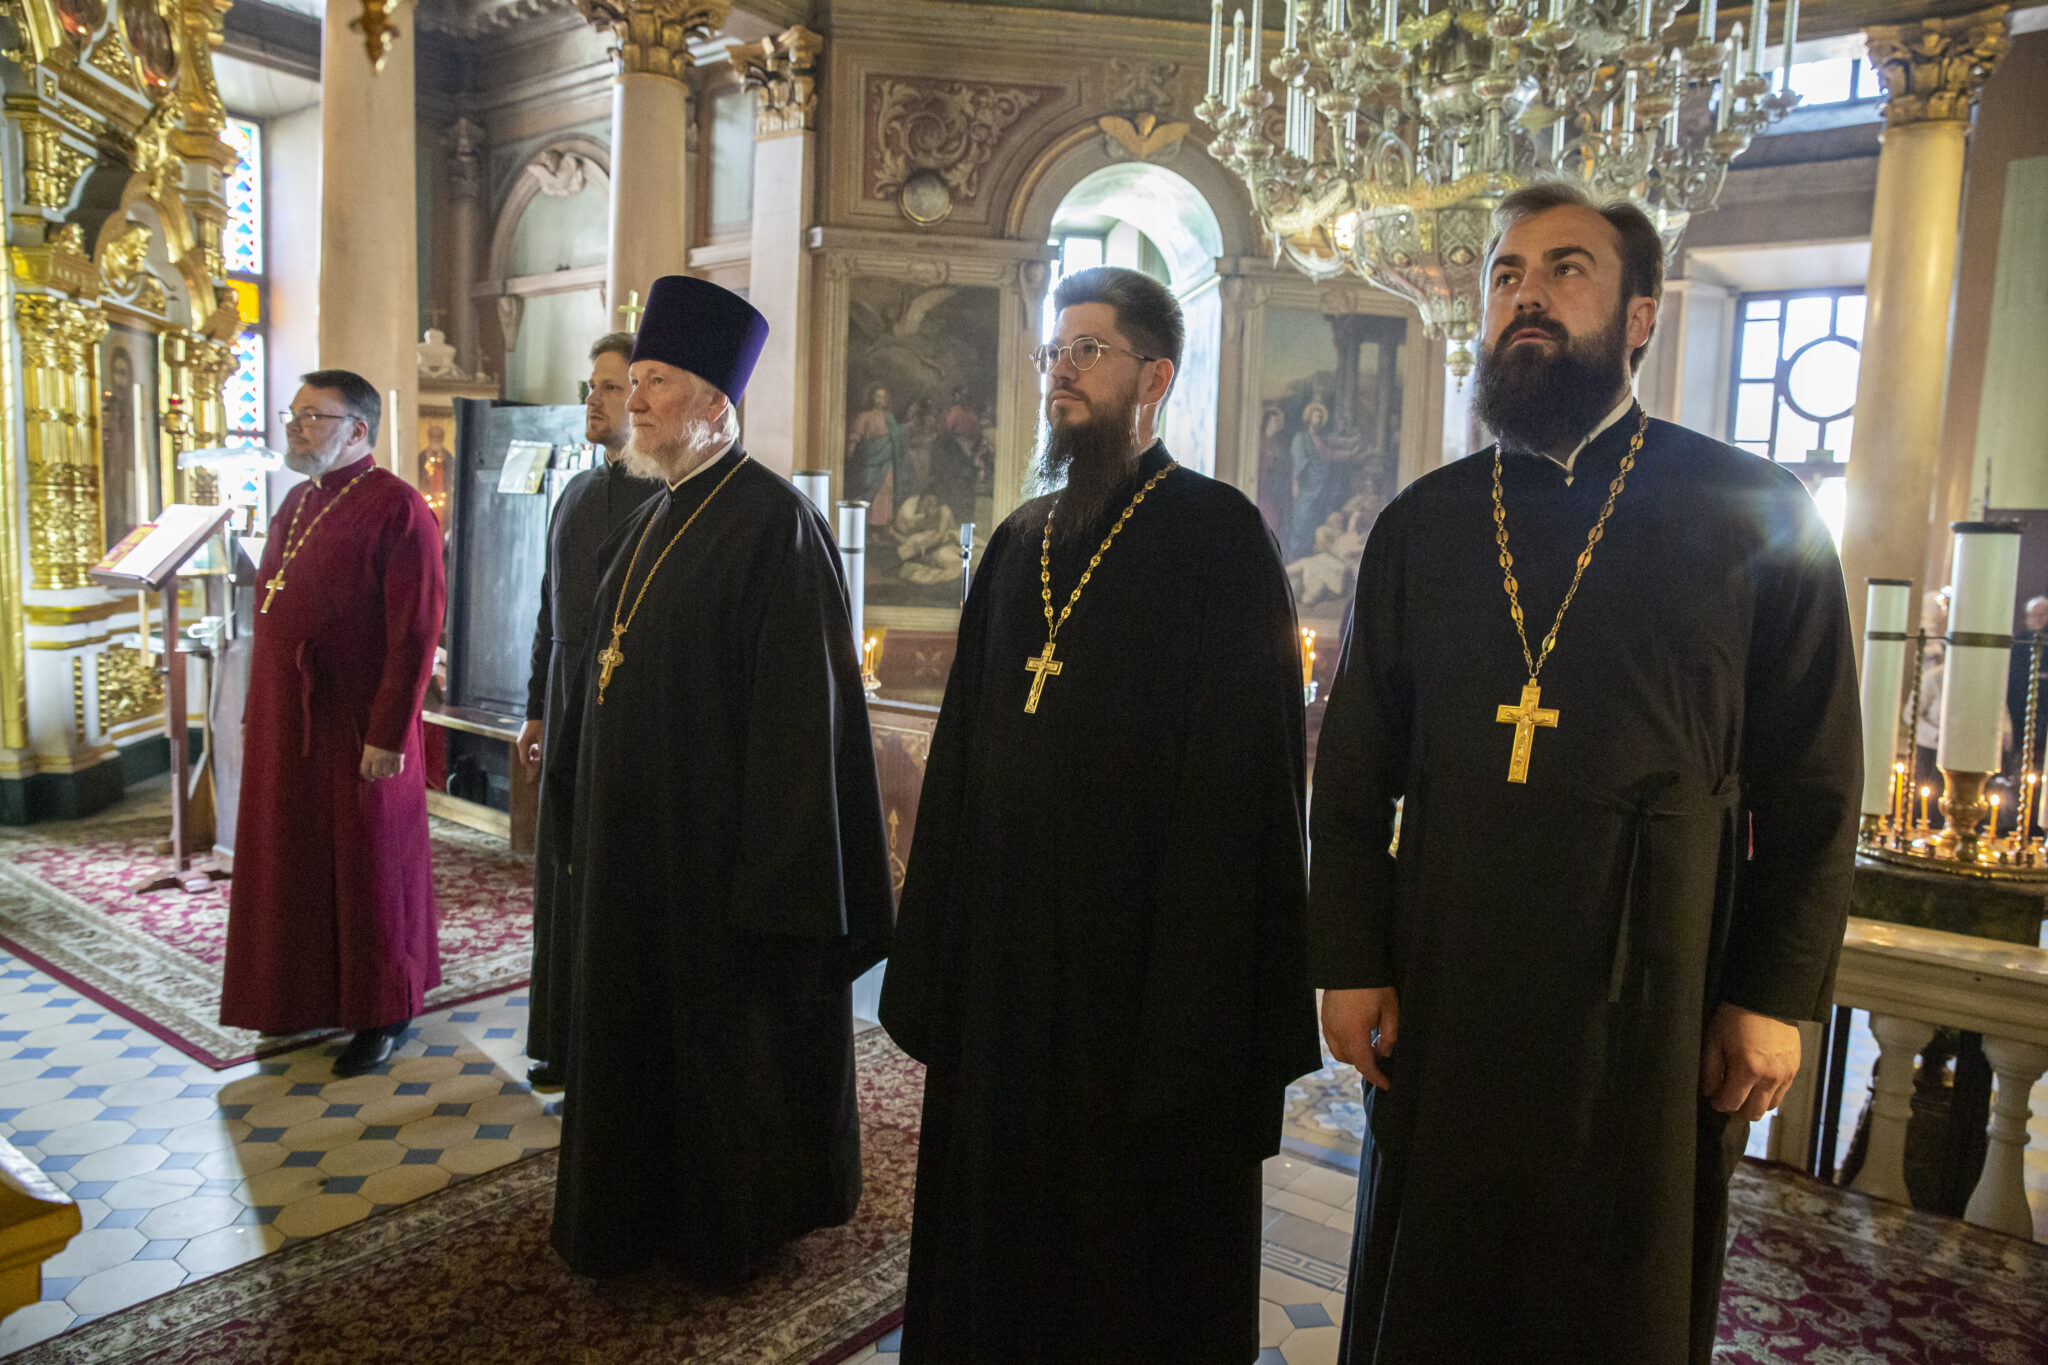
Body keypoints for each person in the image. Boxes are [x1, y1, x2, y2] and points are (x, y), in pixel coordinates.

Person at [1309, 180, 1861, 1364]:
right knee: (1436, 1282)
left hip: (1651, 987)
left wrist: (1771, 995)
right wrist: (1350, 960)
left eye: (1565, 270)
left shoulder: (1754, 511)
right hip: (1452, 969)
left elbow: (1813, 784)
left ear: (1639, 317)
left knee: (1620, 1287)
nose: (1527, 296)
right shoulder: (1422, 525)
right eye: (1506, 275)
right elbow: (1351, 771)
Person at [879, 265, 1320, 1362]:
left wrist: (1201, 1004)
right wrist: (938, 950)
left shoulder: (1218, 537)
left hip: (1143, 981)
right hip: (1004, 967)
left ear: (1154, 377)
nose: (1060, 372)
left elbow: (1246, 791)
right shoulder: (1019, 539)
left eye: (1088, 350)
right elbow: (964, 753)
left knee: (1126, 1258)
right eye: (1054, 352)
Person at [549, 275, 894, 1281]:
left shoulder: (776, 527)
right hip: (632, 856)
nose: (634, 400)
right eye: (632, 383)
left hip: (721, 878)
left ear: (713, 400)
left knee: (723, 1061)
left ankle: (730, 1228)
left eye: (655, 381)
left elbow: (801, 731)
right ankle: (633, 1214)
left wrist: (774, 889)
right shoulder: (647, 519)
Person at [221, 370, 446, 1078]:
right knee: (297, 858)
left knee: (371, 865)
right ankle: (306, 993)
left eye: (313, 415)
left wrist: (388, 732)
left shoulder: (398, 507)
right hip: (292, 721)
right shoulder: (296, 501)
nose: (295, 426)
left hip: (358, 722)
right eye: (293, 414)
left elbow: (415, 632)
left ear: (357, 430)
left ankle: (385, 1012)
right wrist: (260, 711)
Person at [515, 331, 655, 1089]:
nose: (594, 401)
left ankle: (603, 1049)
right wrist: (536, 707)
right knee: (559, 876)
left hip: (621, 702)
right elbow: (549, 607)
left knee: (605, 875)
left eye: (610, 386)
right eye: (591, 386)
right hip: (566, 695)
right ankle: (557, 1036)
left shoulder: (664, 500)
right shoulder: (573, 492)